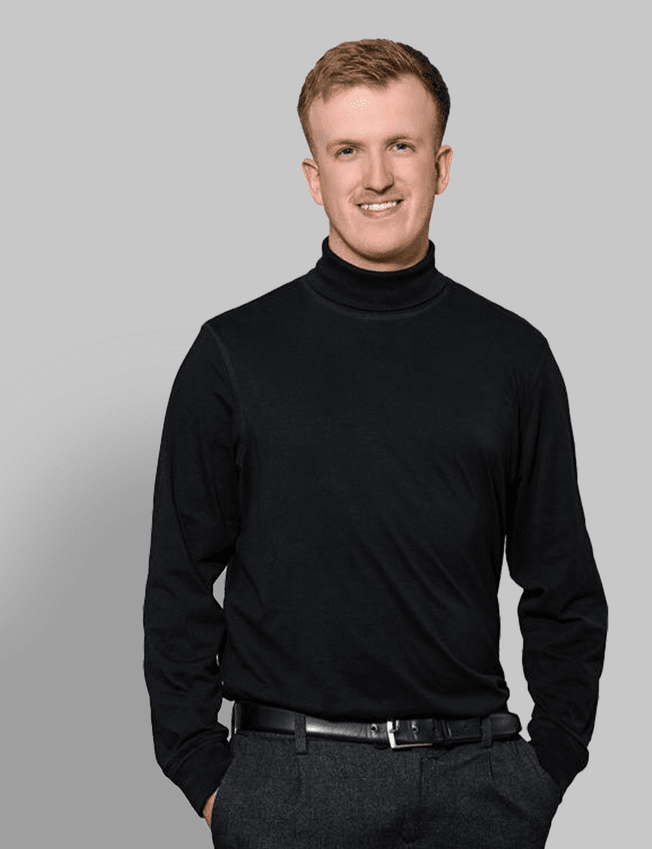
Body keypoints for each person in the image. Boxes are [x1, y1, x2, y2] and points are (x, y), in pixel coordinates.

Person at [143, 38, 608, 849]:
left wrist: (547, 765)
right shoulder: (233, 356)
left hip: (480, 788)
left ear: (443, 163)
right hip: (288, 786)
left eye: (402, 144)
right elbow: (177, 581)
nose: (378, 176)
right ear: (313, 176)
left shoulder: (513, 357)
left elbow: (563, 583)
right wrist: (204, 772)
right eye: (347, 150)